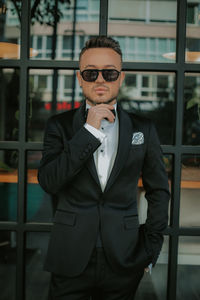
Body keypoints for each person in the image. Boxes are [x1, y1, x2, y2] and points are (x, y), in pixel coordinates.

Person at [38, 36, 170, 300]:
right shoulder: (59, 126)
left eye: (109, 73)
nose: (100, 79)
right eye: (91, 72)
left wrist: (150, 248)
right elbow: (50, 181)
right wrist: (89, 130)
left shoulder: (144, 128)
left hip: (124, 259)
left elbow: (159, 191)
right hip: (70, 255)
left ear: (120, 78)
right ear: (79, 78)